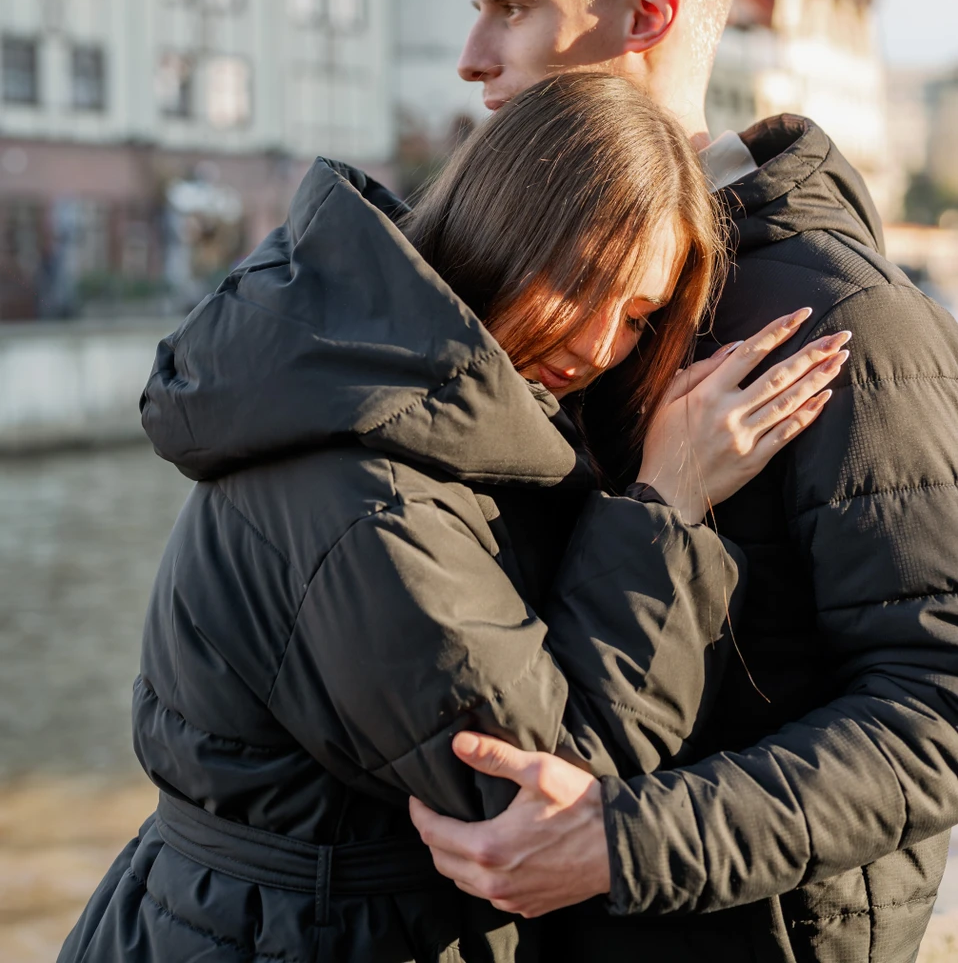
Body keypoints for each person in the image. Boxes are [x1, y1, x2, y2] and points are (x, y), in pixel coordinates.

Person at [58, 75, 842, 963]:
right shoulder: (368, 491)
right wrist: (668, 501)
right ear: (499, 228)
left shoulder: (390, 400)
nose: (595, 346)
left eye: (638, 316)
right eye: (580, 282)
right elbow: (545, 788)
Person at [410, 0, 958, 963]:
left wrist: (624, 843)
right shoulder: (531, 290)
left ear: (647, 12)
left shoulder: (843, 319)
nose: (471, 60)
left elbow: (937, 711)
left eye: (511, 10)